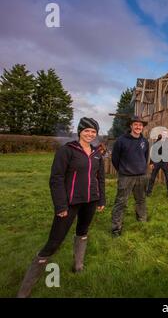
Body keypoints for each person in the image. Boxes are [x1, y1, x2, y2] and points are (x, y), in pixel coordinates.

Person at [17, 117, 105, 298]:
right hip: (69, 203)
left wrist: (101, 200)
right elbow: (56, 179)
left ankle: (78, 266)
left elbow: (100, 178)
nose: (90, 134)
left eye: (93, 132)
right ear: (79, 131)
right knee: (54, 242)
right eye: (87, 130)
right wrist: (60, 205)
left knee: (83, 231)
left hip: (90, 201)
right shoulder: (67, 151)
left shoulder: (97, 153)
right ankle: (24, 291)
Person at [111, 115, 149, 237]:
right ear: (131, 126)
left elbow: (145, 156)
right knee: (121, 202)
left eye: (140, 125)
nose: (138, 127)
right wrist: (123, 170)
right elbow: (115, 159)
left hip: (141, 176)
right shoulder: (121, 140)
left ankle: (142, 221)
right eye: (136, 124)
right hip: (126, 177)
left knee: (141, 200)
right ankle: (116, 229)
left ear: (142, 127)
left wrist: (142, 169)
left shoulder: (144, 141)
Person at [146, 131, 168, 197]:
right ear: (161, 135)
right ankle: (148, 192)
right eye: (163, 134)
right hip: (156, 162)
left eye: (165, 134)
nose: (164, 135)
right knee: (152, 177)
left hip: (166, 162)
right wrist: (151, 163)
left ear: (167, 135)